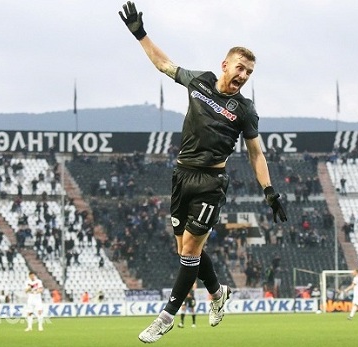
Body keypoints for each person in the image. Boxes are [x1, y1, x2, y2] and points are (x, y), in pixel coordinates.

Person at [118, 2, 287, 343]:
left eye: (249, 73)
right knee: (185, 251)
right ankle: (217, 290)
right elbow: (164, 65)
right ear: (225, 65)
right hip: (182, 176)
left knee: (192, 249)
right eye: (240, 68)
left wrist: (270, 191)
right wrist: (140, 34)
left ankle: (166, 316)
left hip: (211, 182)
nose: (243, 76)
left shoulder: (245, 110)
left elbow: (256, 153)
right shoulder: (200, 82)